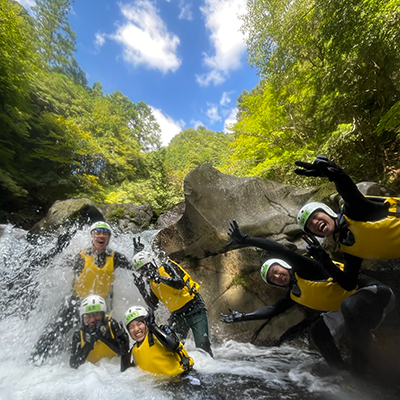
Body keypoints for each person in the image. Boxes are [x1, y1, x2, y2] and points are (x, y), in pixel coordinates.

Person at [220, 220, 394, 374]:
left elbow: (279, 249)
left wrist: (246, 240)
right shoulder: (295, 294)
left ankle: (359, 370)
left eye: (276, 271)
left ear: (284, 266)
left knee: (350, 306)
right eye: (273, 279)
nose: (277, 277)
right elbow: (272, 309)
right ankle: (341, 372)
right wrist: (243, 317)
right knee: (318, 331)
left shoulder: (307, 268)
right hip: (351, 308)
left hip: (376, 294)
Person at [30, 221, 134, 364]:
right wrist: (57, 249)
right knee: (54, 331)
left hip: (101, 307)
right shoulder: (80, 256)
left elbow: (137, 268)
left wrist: (138, 255)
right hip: (76, 302)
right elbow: (46, 263)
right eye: (97, 232)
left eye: (105, 233)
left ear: (109, 238)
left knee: (105, 338)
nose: (101, 235)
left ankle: (106, 367)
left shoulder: (115, 257)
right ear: (92, 236)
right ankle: (35, 361)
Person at [295, 155, 400, 277]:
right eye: (309, 225)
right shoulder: (348, 250)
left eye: (314, 217)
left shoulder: (354, 211)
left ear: (327, 212)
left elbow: (350, 194)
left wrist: (337, 176)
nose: (314, 223)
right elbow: (349, 283)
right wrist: (324, 261)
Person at [131, 241, 213, 357]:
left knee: (204, 348)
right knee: (171, 348)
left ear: (151, 264)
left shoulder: (167, 265)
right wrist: (142, 289)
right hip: (178, 315)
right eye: (141, 272)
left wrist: (160, 278)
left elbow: (179, 283)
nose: (144, 274)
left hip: (195, 308)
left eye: (144, 270)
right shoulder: (151, 283)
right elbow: (153, 306)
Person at [120, 305, 194, 376]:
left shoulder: (161, 330)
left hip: (185, 376)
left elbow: (174, 345)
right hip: (164, 384)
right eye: (131, 327)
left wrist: (153, 326)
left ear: (147, 322)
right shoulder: (135, 350)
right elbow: (126, 374)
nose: (136, 329)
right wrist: (124, 348)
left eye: (139, 324)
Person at [69, 294, 129, 369]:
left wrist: (104, 337)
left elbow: (123, 351)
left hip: (114, 369)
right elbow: (74, 364)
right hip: (90, 374)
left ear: (103, 316)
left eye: (96, 314)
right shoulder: (79, 334)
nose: (92, 320)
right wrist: (88, 345)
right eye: (87, 316)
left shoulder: (111, 325)